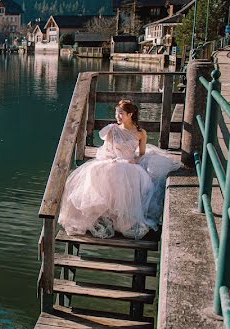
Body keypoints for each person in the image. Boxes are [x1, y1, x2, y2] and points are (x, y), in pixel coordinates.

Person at [58, 99, 181, 240]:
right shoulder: (112, 129)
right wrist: (111, 160)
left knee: (130, 177)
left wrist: (134, 161)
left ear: (130, 114)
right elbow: (106, 150)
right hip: (112, 160)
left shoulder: (141, 133)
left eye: (121, 113)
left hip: (130, 163)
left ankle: (122, 221)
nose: (118, 116)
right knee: (97, 171)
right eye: (117, 113)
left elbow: (141, 153)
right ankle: (103, 217)